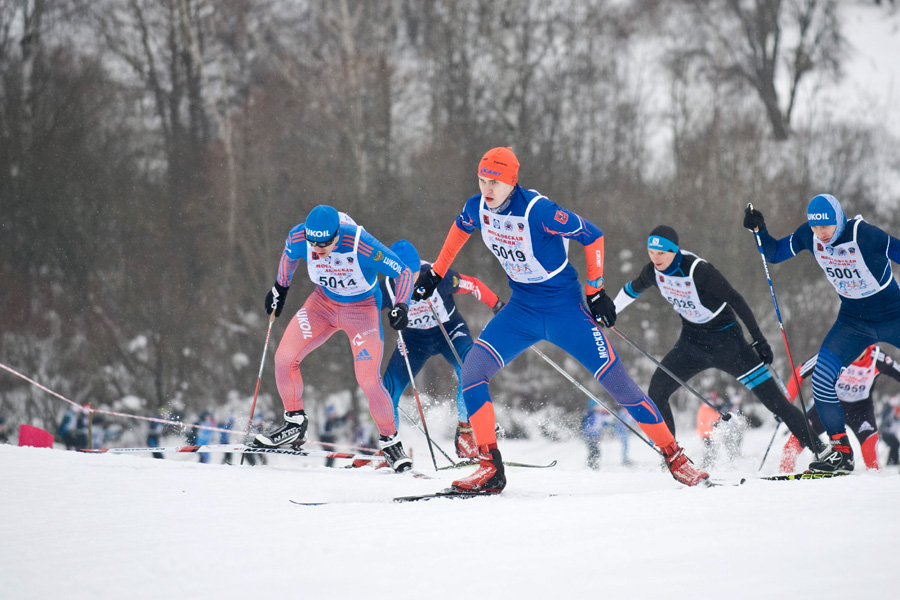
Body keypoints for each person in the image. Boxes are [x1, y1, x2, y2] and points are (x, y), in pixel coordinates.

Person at [412, 147, 709, 494]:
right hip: (521, 309)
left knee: (620, 387)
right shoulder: (475, 207)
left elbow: (592, 235)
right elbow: (458, 232)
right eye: (481, 180)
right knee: (473, 371)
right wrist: (436, 273)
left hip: (564, 310)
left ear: (511, 182)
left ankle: (675, 457)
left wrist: (595, 291)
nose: (486, 188)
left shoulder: (540, 211)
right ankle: (490, 466)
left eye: (494, 181)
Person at [612, 225, 822, 455]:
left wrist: (759, 340)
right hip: (691, 344)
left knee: (776, 403)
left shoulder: (699, 270)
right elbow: (631, 289)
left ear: (674, 251)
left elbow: (736, 300)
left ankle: (822, 451)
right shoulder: (652, 272)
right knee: (658, 391)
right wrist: (609, 311)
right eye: (651, 252)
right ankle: (672, 456)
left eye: (661, 253)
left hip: (729, 344)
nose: (655, 258)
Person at [253, 204, 416, 473]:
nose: (317, 249)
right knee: (284, 358)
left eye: (325, 243)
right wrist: (280, 287)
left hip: (362, 310)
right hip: (322, 305)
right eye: (313, 242)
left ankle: (391, 442)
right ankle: (294, 423)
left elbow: (403, 272)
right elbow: (289, 256)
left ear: (337, 234)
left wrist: (402, 304)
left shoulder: (361, 243)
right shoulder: (299, 237)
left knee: (368, 379)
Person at [745, 194, 900, 473]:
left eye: (825, 226)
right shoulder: (809, 235)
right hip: (853, 321)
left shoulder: (865, 235)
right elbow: (776, 253)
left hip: (893, 315)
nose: (821, 233)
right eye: (815, 227)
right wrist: (760, 230)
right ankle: (841, 453)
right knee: (822, 378)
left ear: (838, 219)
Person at [380, 239, 504, 458]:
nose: (406, 282)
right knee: (387, 392)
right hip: (413, 341)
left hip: (448, 332)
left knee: (471, 371)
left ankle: (465, 434)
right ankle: (389, 447)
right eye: (401, 277)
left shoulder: (439, 276)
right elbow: (363, 310)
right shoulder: (386, 288)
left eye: (411, 275)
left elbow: (473, 284)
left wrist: (496, 306)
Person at [779, 345, 900, 472]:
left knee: (871, 455)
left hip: (860, 410)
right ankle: (784, 472)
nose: (855, 352)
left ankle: (874, 482)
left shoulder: (878, 358)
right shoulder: (835, 352)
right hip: (830, 406)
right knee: (794, 442)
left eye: (860, 347)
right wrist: (786, 403)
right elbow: (800, 371)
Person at [580, 403, 631, 470]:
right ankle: (591, 467)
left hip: (595, 436)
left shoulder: (599, 415)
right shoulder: (592, 413)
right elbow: (589, 424)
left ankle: (593, 467)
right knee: (594, 451)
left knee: (596, 452)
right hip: (589, 436)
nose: (603, 410)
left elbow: (607, 420)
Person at [880, 396, 900, 466]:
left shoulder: (895, 417)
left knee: (895, 444)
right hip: (886, 433)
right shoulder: (888, 413)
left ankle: (893, 461)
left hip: (890, 433)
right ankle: (892, 461)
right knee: (895, 445)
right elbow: (885, 416)